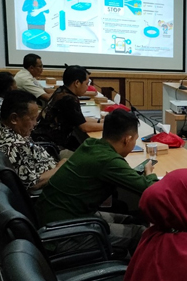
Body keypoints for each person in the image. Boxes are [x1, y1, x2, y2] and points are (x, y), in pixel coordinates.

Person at [36, 109, 156, 255]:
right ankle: (137, 274)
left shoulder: (91, 144)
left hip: (51, 218)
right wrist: (149, 173)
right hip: (61, 233)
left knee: (132, 218)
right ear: (127, 139)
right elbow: (150, 189)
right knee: (143, 233)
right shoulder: (109, 161)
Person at [0, 90, 65, 190]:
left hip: (51, 166)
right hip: (55, 185)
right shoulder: (13, 145)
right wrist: (61, 168)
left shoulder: (1, 128)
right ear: (14, 119)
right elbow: (34, 183)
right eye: (32, 118)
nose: (35, 123)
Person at [33, 65, 103, 151]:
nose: (87, 87)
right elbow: (84, 127)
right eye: (86, 83)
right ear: (77, 83)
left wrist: (99, 121)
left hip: (42, 138)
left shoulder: (61, 91)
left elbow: (78, 119)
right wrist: (109, 126)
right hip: (50, 146)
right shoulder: (69, 99)